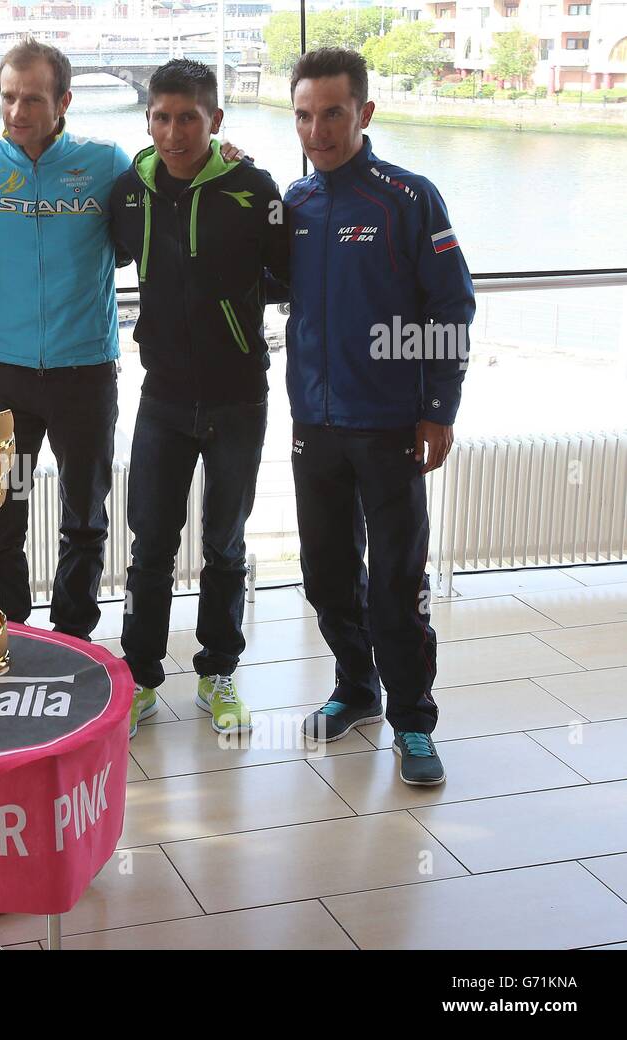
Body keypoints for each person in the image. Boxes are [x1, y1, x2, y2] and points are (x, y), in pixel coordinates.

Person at [285, 48, 474, 786]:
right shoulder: (293, 205)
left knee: (396, 581)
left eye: (333, 113)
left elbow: (451, 306)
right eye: (304, 115)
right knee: (327, 575)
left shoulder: (406, 197)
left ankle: (413, 721)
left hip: (391, 424)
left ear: (364, 112)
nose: (318, 129)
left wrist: (437, 410)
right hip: (314, 426)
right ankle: (356, 688)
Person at [109, 60, 290, 739]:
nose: (175, 131)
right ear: (147, 119)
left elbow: (288, 273)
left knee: (225, 544)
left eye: (190, 117)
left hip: (239, 397)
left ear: (216, 121)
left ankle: (219, 673)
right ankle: (143, 678)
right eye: (162, 116)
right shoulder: (131, 191)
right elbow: (104, 249)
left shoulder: (252, 186)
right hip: (162, 397)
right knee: (150, 544)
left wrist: (232, 307)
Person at [0, 39, 131, 642]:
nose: (17, 110)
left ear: (63, 102)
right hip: (6, 370)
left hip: (85, 370)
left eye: (32, 98)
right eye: (8, 97)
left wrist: (226, 152)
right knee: (2, 510)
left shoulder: (107, 162)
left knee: (84, 516)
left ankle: (75, 633)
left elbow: (167, 191)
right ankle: (14, 628)